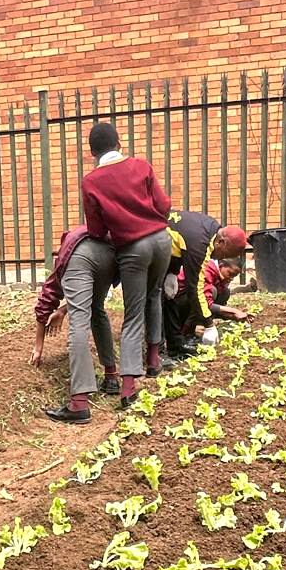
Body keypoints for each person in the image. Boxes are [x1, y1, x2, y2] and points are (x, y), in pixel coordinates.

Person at [80, 122, 172, 407]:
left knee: (133, 314)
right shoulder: (141, 166)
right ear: (119, 144)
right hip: (162, 239)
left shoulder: (91, 182)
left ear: (92, 152)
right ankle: (154, 359)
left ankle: (128, 385)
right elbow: (165, 205)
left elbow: (95, 229)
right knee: (154, 295)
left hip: (133, 248)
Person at [36, 225, 120, 424]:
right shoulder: (89, 234)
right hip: (111, 254)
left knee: (79, 321)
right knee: (97, 310)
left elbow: (47, 297)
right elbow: (89, 300)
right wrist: (62, 310)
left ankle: (79, 404)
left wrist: (38, 346)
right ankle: (111, 378)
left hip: (83, 257)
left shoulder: (67, 254)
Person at [163, 223, 249, 355]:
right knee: (208, 294)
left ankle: (190, 331)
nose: (231, 278)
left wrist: (233, 316)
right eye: (230, 274)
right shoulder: (205, 262)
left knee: (223, 292)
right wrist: (212, 323)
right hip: (174, 299)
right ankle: (183, 335)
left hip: (183, 299)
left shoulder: (217, 274)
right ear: (221, 265)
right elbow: (199, 295)